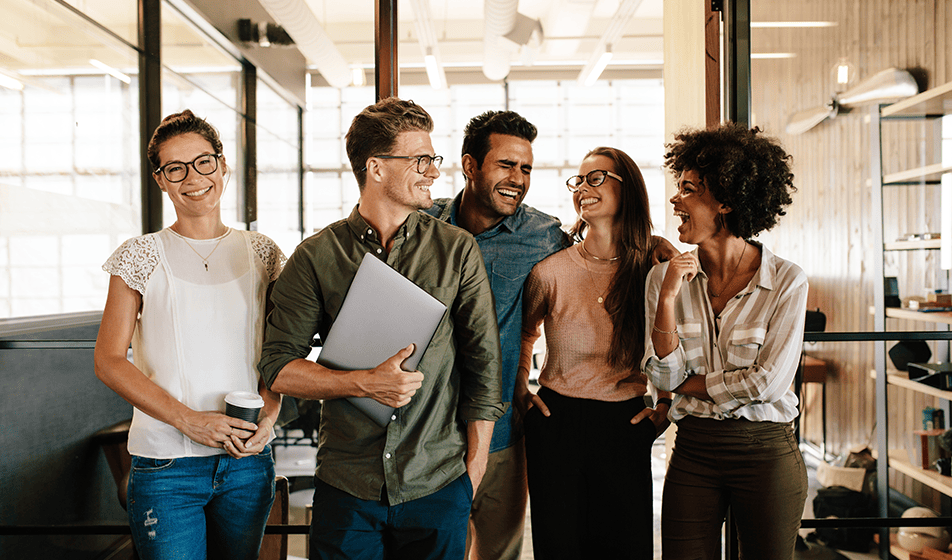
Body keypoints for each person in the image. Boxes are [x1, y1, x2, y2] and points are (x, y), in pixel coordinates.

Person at [257, 97, 504, 560]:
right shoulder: (316, 257)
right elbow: (277, 367)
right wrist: (363, 383)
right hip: (348, 483)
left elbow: (484, 365)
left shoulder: (457, 250)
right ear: (376, 167)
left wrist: (474, 466)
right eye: (421, 160)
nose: (433, 171)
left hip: (437, 478)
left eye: (433, 159)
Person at [93, 110, 284, 560]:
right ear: (161, 180)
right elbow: (109, 360)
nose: (192, 177)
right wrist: (189, 420)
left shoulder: (263, 252)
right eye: (174, 168)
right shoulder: (139, 255)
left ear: (222, 166)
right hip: (166, 466)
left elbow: (281, 353)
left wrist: (269, 419)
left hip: (246, 462)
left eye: (203, 162)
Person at [643, 123, 808, 559]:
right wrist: (667, 298)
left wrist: (686, 385)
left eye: (689, 189)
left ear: (728, 201)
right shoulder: (664, 277)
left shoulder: (787, 281)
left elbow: (767, 384)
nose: (676, 200)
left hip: (766, 452)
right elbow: (661, 372)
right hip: (692, 450)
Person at [424, 110, 571, 560]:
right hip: (426, 433)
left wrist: (657, 248)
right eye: (506, 165)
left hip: (504, 429)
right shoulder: (421, 225)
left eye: (526, 168)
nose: (519, 179)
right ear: (470, 166)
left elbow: (607, 252)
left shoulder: (543, 235)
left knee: (499, 553)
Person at [516, 146, 674, 559]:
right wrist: (520, 391)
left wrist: (668, 403)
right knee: (558, 548)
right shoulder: (551, 271)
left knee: (626, 547)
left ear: (628, 189)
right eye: (579, 180)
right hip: (556, 420)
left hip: (624, 421)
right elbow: (524, 334)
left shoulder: (653, 266)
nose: (583, 187)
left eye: (597, 177)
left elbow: (680, 343)